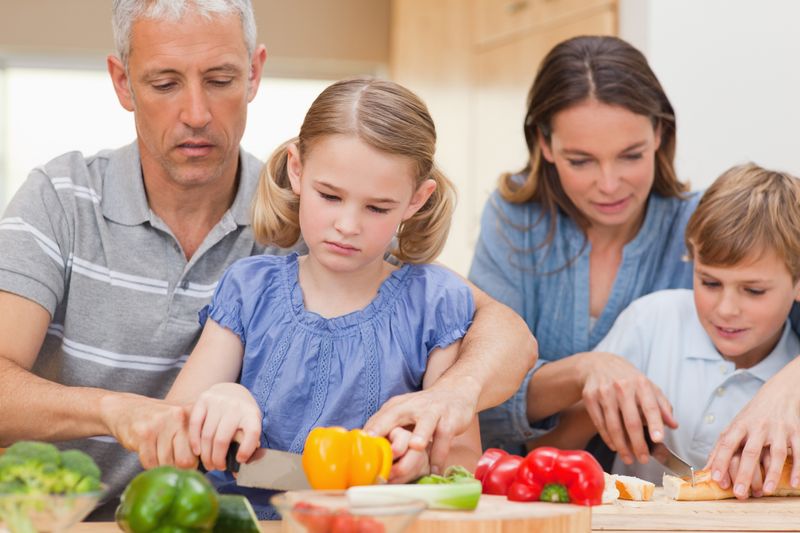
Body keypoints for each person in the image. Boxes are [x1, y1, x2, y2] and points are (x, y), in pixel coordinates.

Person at [0, 0, 535, 518]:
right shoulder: (63, 198)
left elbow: (501, 333)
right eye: (165, 83)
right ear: (123, 82)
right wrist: (157, 408)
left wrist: (447, 404)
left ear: (255, 73)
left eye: (220, 79)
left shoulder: (337, 229)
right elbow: (176, 426)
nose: (196, 113)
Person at [148, 77, 483, 518]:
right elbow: (166, 438)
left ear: (416, 200)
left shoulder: (434, 305)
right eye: (330, 196)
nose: (347, 224)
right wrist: (222, 398)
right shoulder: (251, 289)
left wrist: (422, 460)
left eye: (377, 207)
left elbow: (463, 464)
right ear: (297, 170)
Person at [468, 35, 700, 462]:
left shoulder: (700, 224)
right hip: (523, 491)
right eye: (581, 161)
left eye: (630, 156)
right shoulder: (514, 218)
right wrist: (587, 370)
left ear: (659, 134)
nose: (609, 184)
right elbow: (484, 396)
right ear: (544, 144)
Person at [527, 164, 800, 493]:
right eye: (709, 282)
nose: (726, 309)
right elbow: (548, 448)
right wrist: (601, 412)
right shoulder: (653, 320)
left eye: (754, 291)